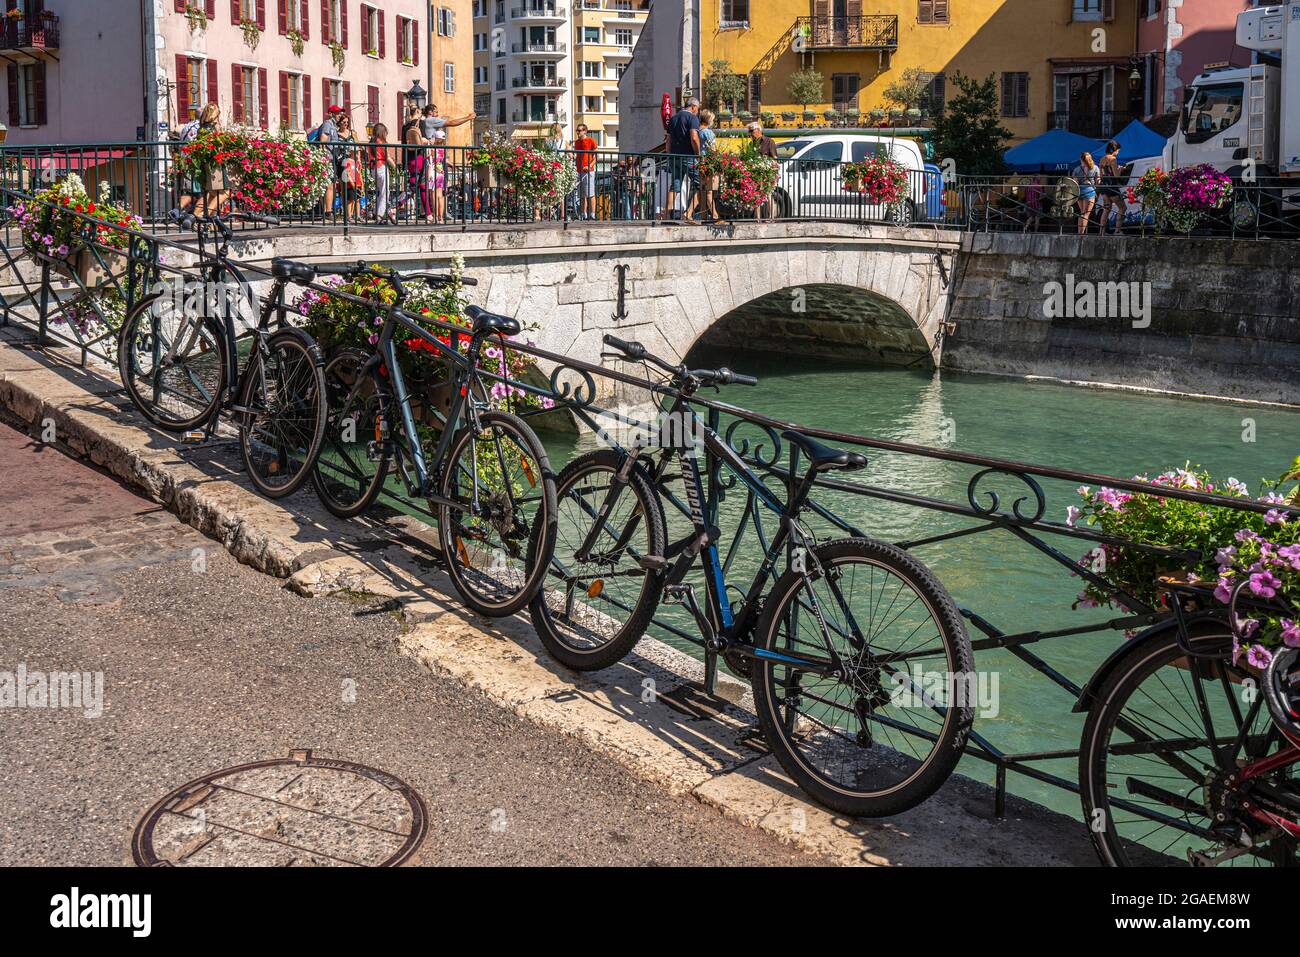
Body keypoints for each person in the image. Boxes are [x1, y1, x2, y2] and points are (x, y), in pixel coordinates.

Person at [665, 97, 701, 223]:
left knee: (675, 185)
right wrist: (698, 154)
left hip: (674, 157)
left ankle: (667, 213)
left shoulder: (674, 118)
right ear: (694, 107)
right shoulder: (692, 118)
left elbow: (668, 140)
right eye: (697, 108)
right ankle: (689, 213)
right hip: (688, 157)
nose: (697, 111)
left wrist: (669, 155)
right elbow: (694, 137)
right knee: (700, 185)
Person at [690, 109, 726, 226]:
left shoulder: (697, 131)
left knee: (703, 190)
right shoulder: (708, 132)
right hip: (709, 163)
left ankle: (698, 213)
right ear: (709, 120)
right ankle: (715, 216)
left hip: (700, 162)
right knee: (708, 191)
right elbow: (713, 149)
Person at [404, 109, 435, 224]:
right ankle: (394, 207)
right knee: (413, 187)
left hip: (410, 159)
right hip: (419, 158)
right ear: (418, 112)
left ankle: (428, 214)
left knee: (421, 186)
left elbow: (405, 143)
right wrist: (428, 141)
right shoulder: (421, 124)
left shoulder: (405, 126)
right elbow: (422, 140)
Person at [196, 103, 227, 215]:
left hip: (206, 163)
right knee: (225, 193)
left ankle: (206, 220)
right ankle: (204, 215)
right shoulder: (215, 127)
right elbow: (221, 144)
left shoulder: (201, 128)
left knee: (213, 193)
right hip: (216, 162)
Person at [746, 120, 779, 223]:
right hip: (757, 172)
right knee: (757, 195)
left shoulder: (769, 141)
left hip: (767, 172)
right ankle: (758, 219)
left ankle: (771, 218)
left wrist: (771, 167)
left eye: (751, 131)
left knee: (768, 194)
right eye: (749, 132)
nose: (750, 134)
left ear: (758, 130)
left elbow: (774, 158)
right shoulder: (752, 144)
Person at [317, 104, 344, 218]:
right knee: (330, 185)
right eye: (337, 113)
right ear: (331, 114)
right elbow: (323, 141)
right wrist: (323, 158)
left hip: (333, 158)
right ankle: (328, 211)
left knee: (332, 184)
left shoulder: (333, 126)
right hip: (328, 158)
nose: (339, 115)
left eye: (340, 113)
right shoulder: (327, 125)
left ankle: (328, 210)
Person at [336, 112, 362, 221]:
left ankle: (357, 214)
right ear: (339, 123)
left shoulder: (352, 133)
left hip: (352, 162)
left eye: (347, 122)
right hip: (342, 162)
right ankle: (347, 213)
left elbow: (358, 146)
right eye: (343, 122)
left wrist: (359, 160)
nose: (346, 124)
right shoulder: (336, 134)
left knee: (357, 187)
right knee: (345, 189)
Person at [1098, 140, 1127, 235]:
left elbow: (1101, 175)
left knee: (1107, 208)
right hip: (1112, 186)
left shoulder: (1102, 159)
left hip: (1103, 186)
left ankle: (1101, 231)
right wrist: (1121, 169)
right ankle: (1117, 230)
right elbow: (1116, 176)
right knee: (1122, 208)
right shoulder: (1113, 159)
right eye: (1118, 151)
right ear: (1114, 150)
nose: (1118, 153)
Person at [369, 123, 396, 224]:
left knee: (382, 191)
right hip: (381, 167)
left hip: (373, 168)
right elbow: (387, 157)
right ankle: (379, 215)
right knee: (385, 192)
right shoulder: (381, 142)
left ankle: (377, 211)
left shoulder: (371, 142)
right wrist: (395, 167)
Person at [572, 124, 599, 221]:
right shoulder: (577, 143)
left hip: (588, 171)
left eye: (579, 130)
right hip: (578, 170)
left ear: (585, 131)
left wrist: (590, 166)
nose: (578, 132)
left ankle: (592, 214)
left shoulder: (591, 141)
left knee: (590, 193)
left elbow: (597, 157)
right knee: (582, 194)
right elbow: (576, 156)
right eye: (577, 130)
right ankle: (584, 214)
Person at [1073, 151, 1101, 234]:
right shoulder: (1095, 168)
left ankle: (1079, 233)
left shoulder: (1076, 169)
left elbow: (1075, 183)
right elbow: (1098, 182)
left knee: (1082, 213)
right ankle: (1082, 234)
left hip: (1079, 191)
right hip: (1089, 191)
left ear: (1081, 159)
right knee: (1086, 214)